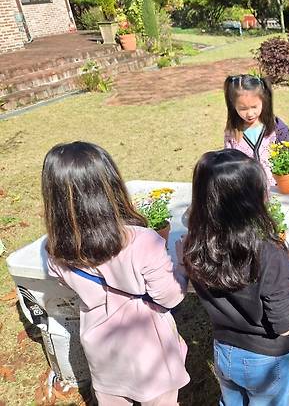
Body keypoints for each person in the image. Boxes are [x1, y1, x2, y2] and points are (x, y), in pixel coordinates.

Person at [42, 141, 189, 406]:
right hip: (150, 351)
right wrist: (182, 266)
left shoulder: (54, 248)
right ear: (110, 185)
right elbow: (171, 297)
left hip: (101, 349)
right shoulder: (143, 240)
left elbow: (63, 280)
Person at [181, 149, 289, 405]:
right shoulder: (270, 254)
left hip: (224, 351)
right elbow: (285, 325)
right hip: (266, 361)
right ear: (252, 201)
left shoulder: (193, 244)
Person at [223, 74, 289, 186]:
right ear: (233, 106)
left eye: (254, 107)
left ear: (264, 101)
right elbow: (229, 167)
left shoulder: (277, 128)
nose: (249, 114)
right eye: (243, 109)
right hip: (247, 192)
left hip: (276, 191)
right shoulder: (231, 133)